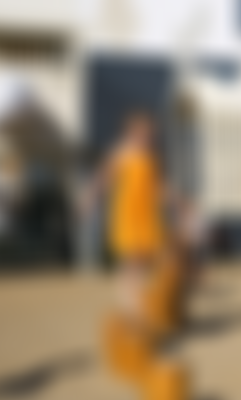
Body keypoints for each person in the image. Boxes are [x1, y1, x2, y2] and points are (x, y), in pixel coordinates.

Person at [90, 112, 169, 330]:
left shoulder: (153, 156)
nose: (149, 137)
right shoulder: (121, 152)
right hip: (128, 213)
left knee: (146, 261)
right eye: (145, 133)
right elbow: (104, 177)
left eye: (151, 134)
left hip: (148, 214)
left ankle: (138, 304)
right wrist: (91, 199)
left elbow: (158, 187)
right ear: (132, 132)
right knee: (131, 262)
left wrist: (176, 202)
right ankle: (130, 308)